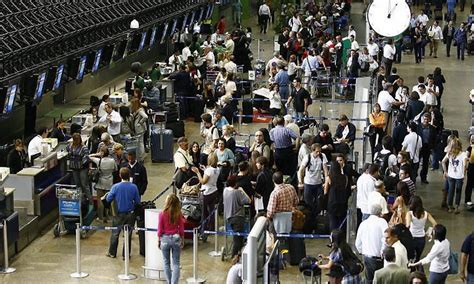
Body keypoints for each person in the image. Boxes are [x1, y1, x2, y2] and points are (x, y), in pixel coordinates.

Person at [106, 167, 140, 258]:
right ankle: (126, 255)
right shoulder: (134, 187)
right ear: (129, 176)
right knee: (128, 234)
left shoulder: (115, 187)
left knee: (115, 233)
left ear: (120, 175)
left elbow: (108, 199)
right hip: (130, 214)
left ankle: (112, 253)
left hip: (118, 214)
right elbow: (137, 201)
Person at [356, 204, 388, 283]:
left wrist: (362, 251)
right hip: (378, 258)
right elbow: (386, 238)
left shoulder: (363, 223)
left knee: (369, 279)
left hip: (366, 257)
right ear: (380, 212)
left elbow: (358, 243)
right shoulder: (382, 222)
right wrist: (382, 252)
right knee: (379, 280)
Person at [191, 153, 220, 237]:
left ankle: (204, 229)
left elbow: (203, 181)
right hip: (214, 190)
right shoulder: (217, 169)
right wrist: (204, 170)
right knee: (211, 210)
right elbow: (210, 175)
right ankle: (212, 228)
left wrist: (198, 173)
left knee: (204, 212)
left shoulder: (208, 170)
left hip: (206, 192)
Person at [158, 193, 184, 284]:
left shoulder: (162, 213)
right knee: (176, 263)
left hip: (165, 239)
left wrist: (159, 240)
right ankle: (174, 282)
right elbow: (181, 229)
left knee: (166, 263)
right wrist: (182, 239)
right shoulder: (179, 214)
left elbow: (160, 229)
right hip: (176, 239)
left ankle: (169, 282)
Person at [298, 143, 329, 219]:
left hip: (318, 183)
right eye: (317, 152)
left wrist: (326, 181)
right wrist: (300, 182)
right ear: (313, 151)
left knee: (319, 203)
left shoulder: (322, 156)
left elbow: (325, 170)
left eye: (320, 151)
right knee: (308, 202)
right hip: (308, 183)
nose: (318, 153)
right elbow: (301, 170)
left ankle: (315, 217)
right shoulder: (307, 157)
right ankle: (310, 218)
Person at [223, 174, 251, 258]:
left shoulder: (225, 190)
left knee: (236, 238)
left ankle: (236, 256)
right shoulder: (237, 192)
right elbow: (249, 200)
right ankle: (234, 257)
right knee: (237, 240)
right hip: (238, 218)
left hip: (229, 217)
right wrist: (242, 190)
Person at [406, 196, 437, 263]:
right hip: (421, 239)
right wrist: (429, 231)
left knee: (410, 258)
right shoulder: (426, 214)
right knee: (418, 258)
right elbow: (435, 224)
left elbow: (407, 226)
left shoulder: (410, 214)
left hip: (412, 238)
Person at [90, 146, 117, 222]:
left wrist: (97, 154)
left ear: (102, 153)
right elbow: (115, 169)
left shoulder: (98, 161)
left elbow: (89, 156)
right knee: (108, 200)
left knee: (100, 201)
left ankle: (101, 217)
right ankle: (108, 217)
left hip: (100, 183)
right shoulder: (112, 161)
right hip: (109, 183)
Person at [442, 137, 468, 213]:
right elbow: (465, 166)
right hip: (459, 176)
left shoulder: (449, 153)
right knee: (458, 191)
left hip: (450, 175)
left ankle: (450, 207)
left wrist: (445, 171)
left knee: (451, 191)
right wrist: (464, 175)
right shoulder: (463, 154)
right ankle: (456, 207)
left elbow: (443, 162)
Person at [324, 157, 351, 231]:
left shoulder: (329, 178)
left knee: (332, 219)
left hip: (332, 200)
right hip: (342, 200)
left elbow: (325, 191)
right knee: (342, 218)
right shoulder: (345, 177)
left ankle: (333, 236)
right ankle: (341, 235)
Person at [66, 134, 92, 204]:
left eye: (78, 140)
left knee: (84, 184)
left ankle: (90, 201)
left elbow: (87, 158)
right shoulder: (69, 146)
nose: (77, 141)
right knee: (77, 185)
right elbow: (67, 152)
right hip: (74, 168)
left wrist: (89, 168)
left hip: (83, 168)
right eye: (75, 140)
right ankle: (81, 201)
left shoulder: (84, 148)